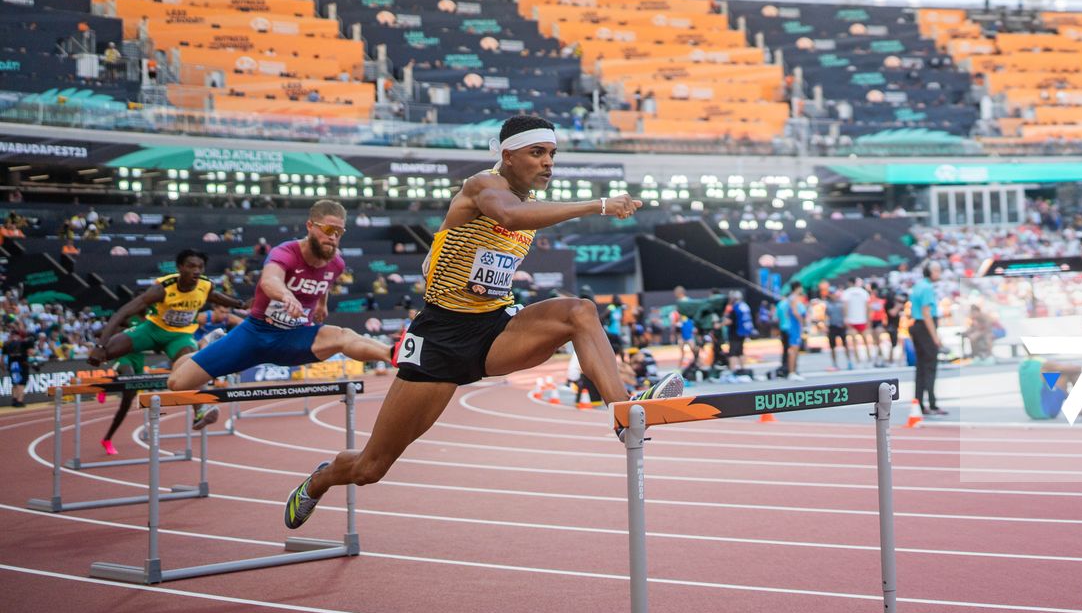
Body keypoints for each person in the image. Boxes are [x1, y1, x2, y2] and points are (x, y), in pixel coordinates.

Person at [284, 117, 681, 531]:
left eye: (552, 154)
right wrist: (597, 205)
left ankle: (623, 413)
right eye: (537, 153)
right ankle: (321, 479)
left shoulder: (528, 200)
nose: (548, 163)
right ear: (507, 155)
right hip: (440, 339)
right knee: (371, 467)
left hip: (494, 329)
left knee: (579, 311)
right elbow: (508, 217)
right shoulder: (483, 186)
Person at [168, 204, 393, 431]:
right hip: (255, 335)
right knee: (177, 383)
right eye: (327, 229)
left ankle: (394, 354)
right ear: (310, 226)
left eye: (339, 232)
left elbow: (326, 281)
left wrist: (322, 304)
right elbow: (269, 280)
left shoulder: (336, 263)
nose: (333, 237)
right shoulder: (285, 252)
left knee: (343, 335)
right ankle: (209, 350)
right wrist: (286, 295)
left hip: (294, 338)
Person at [86, 249, 246, 453]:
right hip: (153, 330)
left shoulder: (205, 285)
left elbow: (215, 296)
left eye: (200, 267)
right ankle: (108, 373)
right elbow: (123, 311)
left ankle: (200, 410)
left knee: (191, 365)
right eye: (191, 266)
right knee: (106, 353)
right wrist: (100, 346)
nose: (196, 271)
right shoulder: (163, 288)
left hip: (179, 336)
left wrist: (239, 304)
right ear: (180, 268)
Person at [908, 263, 945, 415]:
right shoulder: (927, 288)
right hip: (925, 327)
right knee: (930, 367)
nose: (939, 273)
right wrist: (935, 337)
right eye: (936, 270)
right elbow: (926, 313)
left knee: (921, 367)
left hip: (917, 326)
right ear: (928, 272)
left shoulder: (918, 285)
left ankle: (919, 403)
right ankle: (932, 404)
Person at [777, 287, 809, 379]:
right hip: (792, 328)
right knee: (793, 350)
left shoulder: (782, 304)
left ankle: (787, 369)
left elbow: (779, 317)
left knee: (786, 350)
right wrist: (802, 323)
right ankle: (792, 371)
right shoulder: (795, 303)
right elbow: (799, 313)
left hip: (785, 328)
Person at [4, 317, 32, 408]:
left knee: (15, 382)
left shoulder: (7, 344)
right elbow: (31, 352)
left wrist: (3, 367)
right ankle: (19, 401)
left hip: (12, 365)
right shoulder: (23, 343)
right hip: (22, 364)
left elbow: (2, 358)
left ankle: (14, 399)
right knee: (21, 383)